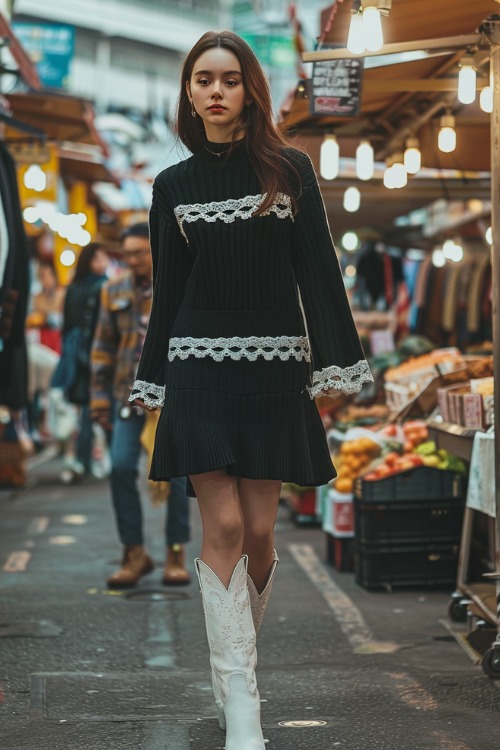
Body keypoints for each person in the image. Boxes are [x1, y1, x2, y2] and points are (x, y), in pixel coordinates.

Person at [129, 31, 373, 750]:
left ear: (249, 91)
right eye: (202, 79)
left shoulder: (291, 170)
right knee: (225, 528)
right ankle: (243, 701)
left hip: (273, 370)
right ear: (188, 93)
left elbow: (319, 275)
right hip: (198, 364)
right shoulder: (171, 187)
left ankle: (235, 664)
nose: (214, 91)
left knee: (262, 536)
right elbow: (168, 292)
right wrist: (152, 377)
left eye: (228, 79)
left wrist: (339, 365)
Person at [90, 223, 191, 588]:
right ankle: (134, 553)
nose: (132, 259)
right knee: (118, 467)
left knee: (178, 476)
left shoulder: (177, 283)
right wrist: (98, 402)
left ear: (154, 249)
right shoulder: (112, 291)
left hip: (172, 397)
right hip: (127, 398)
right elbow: (102, 349)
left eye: (139, 252)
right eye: (127, 253)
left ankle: (175, 552)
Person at [52, 243, 109, 481]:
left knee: (84, 408)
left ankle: (81, 460)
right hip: (97, 354)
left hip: (75, 355)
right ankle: (99, 459)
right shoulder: (103, 285)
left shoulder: (73, 288)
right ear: (92, 260)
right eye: (101, 257)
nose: (105, 261)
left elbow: (65, 327)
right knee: (101, 408)